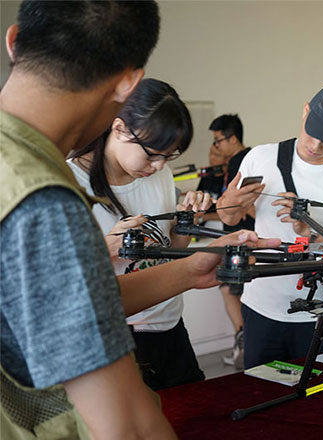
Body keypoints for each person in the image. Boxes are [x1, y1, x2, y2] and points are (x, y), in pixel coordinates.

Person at [0, 2, 278, 438]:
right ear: (129, 84)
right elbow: (125, 424)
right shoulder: (43, 198)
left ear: (14, 41)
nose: (156, 166)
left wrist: (190, 268)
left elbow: (78, 304)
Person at [217, 85, 323, 369]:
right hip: (261, 307)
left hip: (322, 314)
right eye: (312, 133)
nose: (315, 145)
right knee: (259, 387)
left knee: (322, 393)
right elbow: (229, 218)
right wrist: (228, 203)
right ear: (305, 111)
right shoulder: (260, 157)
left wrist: (309, 230)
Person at [68, 78, 212, 390]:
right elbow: (58, 287)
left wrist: (185, 222)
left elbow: (170, 252)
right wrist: (104, 249)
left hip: (169, 324)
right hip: (113, 334)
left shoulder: (160, 176)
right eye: (152, 154)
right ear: (119, 128)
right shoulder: (70, 183)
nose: (158, 166)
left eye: (168, 156)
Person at [197, 114, 254, 369]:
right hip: (240, 238)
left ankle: (244, 340)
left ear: (232, 139)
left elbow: (240, 207)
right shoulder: (244, 160)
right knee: (233, 289)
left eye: (218, 141)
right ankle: (244, 341)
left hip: (242, 240)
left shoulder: (241, 162)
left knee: (229, 288)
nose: (216, 147)